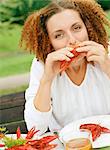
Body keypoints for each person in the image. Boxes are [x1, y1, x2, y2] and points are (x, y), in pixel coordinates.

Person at [20, 0, 110, 135]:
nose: (72, 40)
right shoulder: (43, 65)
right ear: (49, 42)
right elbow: (36, 129)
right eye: (59, 35)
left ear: (88, 28)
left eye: (77, 28)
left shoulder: (106, 52)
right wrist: (47, 79)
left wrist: (107, 66)